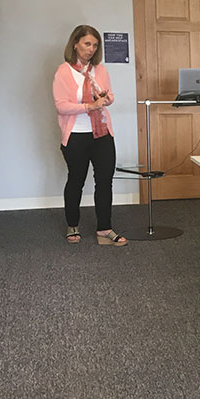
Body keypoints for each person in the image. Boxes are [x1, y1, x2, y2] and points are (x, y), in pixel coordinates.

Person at [52, 25, 126, 246]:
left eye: (95, 45)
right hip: (76, 135)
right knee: (76, 180)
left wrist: (105, 98)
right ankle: (72, 224)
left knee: (105, 181)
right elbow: (61, 106)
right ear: (75, 44)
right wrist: (89, 106)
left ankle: (105, 228)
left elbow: (110, 95)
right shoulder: (63, 72)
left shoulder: (100, 70)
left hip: (102, 133)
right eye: (87, 44)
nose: (91, 49)